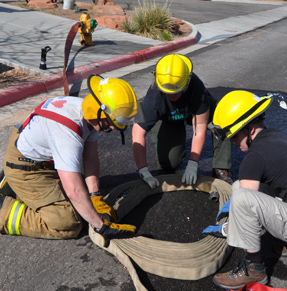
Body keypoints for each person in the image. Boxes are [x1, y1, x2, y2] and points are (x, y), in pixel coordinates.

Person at [0, 74, 142, 247]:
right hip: (26, 168)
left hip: (43, 159)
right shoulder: (67, 133)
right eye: (111, 122)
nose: (112, 127)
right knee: (68, 222)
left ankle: (13, 185)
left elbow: (90, 158)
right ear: (99, 110)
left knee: (84, 203)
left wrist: (95, 197)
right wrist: (101, 227)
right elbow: (74, 192)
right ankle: (4, 207)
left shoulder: (89, 111)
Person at [205, 90, 287, 290]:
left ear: (250, 130)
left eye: (234, 137)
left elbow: (247, 205)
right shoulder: (277, 136)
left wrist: (229, 229)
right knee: (240, 186)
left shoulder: (254, 158)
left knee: (240, 195)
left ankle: (254, 268)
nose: (232, 143)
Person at [132, 53, 232, 189]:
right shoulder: (152, 98)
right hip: (169, 118)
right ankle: (170, 138)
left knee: (223, 118)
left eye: (176, 92)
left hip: (193, 113)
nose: (172, 95)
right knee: (170, 164)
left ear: (186, 82)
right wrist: (143, 170)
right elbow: (137, 132)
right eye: (169, 93)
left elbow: (200, 128)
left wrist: (193, 163)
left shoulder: (196, 86)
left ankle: (221, 166)